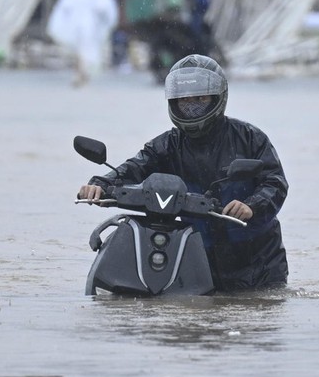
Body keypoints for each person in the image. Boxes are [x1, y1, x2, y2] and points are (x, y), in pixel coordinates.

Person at [75, 55, 289, 292]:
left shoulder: (249, 138)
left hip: (257, 265)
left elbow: (275, 182)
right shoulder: (168, 145)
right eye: (185, 100)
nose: (191, 106)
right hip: (195, 261)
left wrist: (251, 206)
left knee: (255, 319)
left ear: (218, 97)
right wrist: (100, 184)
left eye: (200, 99)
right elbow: (135, 167)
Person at [46, 0, 119, 87]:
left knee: (80, 52)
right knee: (87, 52)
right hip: (90, 28)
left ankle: (81, 74)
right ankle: (82, 74)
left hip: (76, 26)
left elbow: (63, 8)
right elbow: (107, 9)